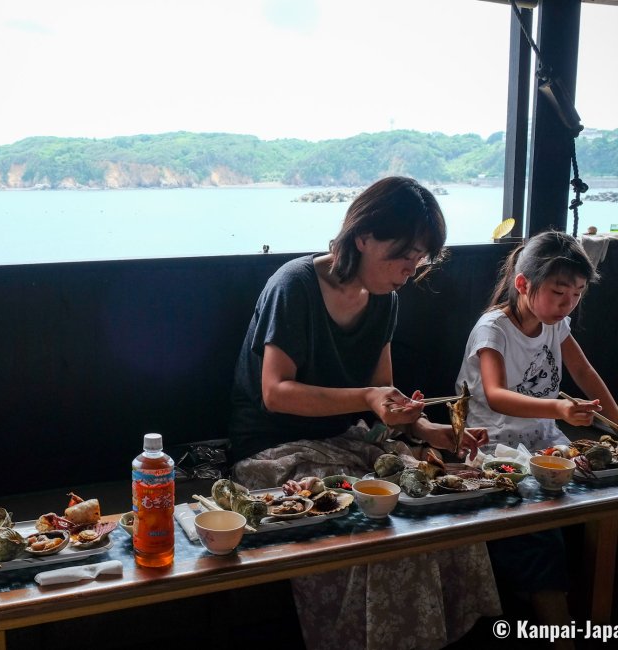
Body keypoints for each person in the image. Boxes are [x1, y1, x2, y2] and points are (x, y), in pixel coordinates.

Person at [228, 176, 500, 650]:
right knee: (378, 526)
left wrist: (430, 430)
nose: (408, 270)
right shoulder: (294, 285)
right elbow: (276, 392)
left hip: (347, 440)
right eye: (402, 255)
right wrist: (370, 401)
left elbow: (384, 400)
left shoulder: (384, 301)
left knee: (444, 508)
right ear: (364, 236)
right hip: (274, 450)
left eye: (418, 260)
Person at [455, 230, 618, 648]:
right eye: (560, 292)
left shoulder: (556, 323)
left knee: (601, 489)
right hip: (494, 446)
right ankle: (555, 620)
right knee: (538, 526)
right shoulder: (493, 328)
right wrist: (560, 409)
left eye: (578, 294)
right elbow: (495, 394)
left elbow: (585, 375)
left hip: (545, 441)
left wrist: (617, 422)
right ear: (523, 284)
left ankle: (565, 604)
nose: (569, 305)